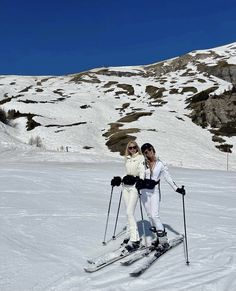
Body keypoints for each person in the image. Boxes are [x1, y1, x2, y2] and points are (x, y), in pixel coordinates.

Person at [137, 143, 185, 246]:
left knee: (155, 215)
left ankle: (163, 240)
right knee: (150, 216)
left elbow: (168, 177)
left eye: (149, 150)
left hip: (154, 192)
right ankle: (158, 238)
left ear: (153, 150)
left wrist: (177, 189)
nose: (148, 152)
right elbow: (138, 176)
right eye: (145, 151)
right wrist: (137, 183)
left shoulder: (160, 164)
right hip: (144, 192)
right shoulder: (142, 164)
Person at [111, 140, 145, 252]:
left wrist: (140, 180)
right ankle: (129, 234)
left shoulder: (140, 158)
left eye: (134, 147)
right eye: (130, 148)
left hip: (134, 187)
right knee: (128, 212)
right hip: (125, 187)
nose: (132, 149)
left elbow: (142, 172)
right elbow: (127, 173)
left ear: (137, 148)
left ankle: (135, 239)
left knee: (129, 212)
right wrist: (119, 179)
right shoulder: (127, 158)